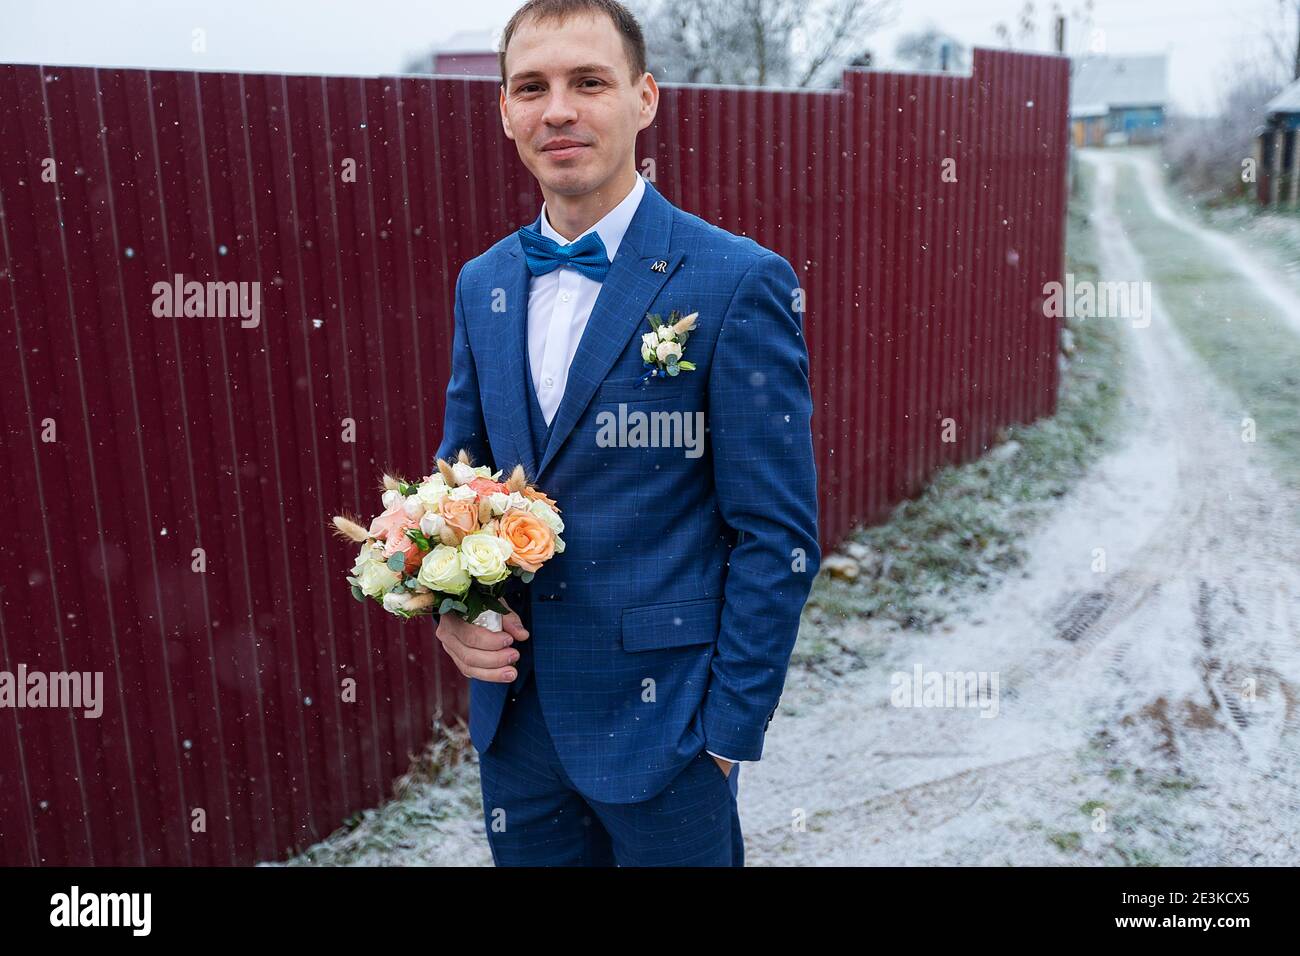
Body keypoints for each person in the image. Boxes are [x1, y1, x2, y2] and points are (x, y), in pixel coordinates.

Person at [433, 0, 821, 866]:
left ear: (644, 98)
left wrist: (725, 734)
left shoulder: (735, 281)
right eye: (531, 87)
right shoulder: (483, 283)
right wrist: (451, 613)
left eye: (588, 82)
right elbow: (458, 484)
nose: (558, 110)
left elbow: (777, 533)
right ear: (504, 110)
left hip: (669, 734)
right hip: (519, 736)